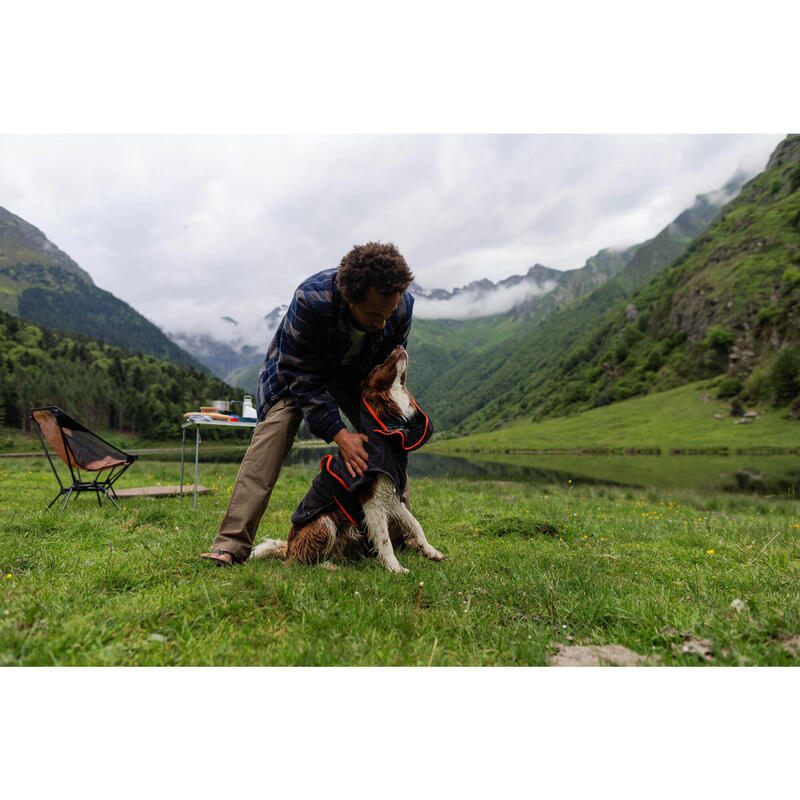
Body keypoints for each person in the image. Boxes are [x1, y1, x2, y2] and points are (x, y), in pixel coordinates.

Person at [200, 241, 415, 565]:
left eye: (388, 314)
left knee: (387, 437)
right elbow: (301, 376)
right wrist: (339, 434)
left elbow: (385, 368)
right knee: (273, 434)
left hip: (354, 375)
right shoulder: (311, 300)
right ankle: (231, 545)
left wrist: (385, 416)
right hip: (297, 373)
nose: (383, 323)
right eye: (374, 314)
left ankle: (401, 534)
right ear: (349, 298)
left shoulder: (401, 305)